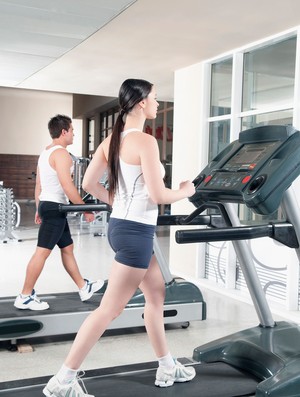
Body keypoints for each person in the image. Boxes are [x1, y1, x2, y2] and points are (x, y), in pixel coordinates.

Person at [43, 79, 196, 397]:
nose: (157, 103)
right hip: (136, 234)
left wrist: (120, 203)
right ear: (141, 103)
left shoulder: (111, 140)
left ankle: (167, 366)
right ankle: (64, 380)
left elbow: (88, 183)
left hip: (122, 227)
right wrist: (186, 190)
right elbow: (158, 194)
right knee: (108, 310)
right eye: (154, 98)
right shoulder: (145, 142)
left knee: (155, 297)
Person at [14, 115, 103, 311]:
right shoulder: (61, 154)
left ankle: (83, 287)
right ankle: (25, 295)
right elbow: (67, 185)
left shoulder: (44, 153)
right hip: (56, 208)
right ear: (64, 132)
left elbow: (39, 185)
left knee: (67, 248)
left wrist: (39, 207)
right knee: (42, 252)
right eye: (72, 130)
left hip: (49, 205)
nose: (73, 134)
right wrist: (85, 209)